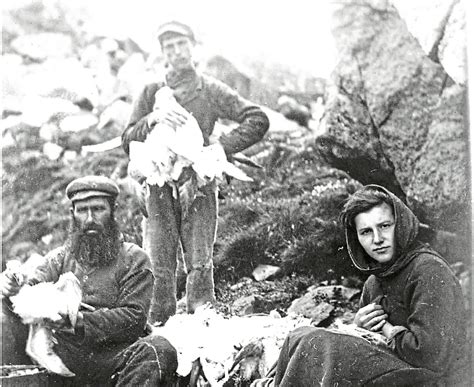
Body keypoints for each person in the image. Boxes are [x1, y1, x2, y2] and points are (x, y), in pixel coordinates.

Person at [122, 21, 270, 323]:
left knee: (199, 258)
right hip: (158, 182)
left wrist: (220, 149)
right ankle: (158, 328)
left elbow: (257, 119)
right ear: (162, 52)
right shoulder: (151, 91)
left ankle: (203, 326)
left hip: (199, 180)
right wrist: (153, 118)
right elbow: (127, 139)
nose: (177, 52)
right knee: (158, 260)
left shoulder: (209, 88)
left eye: (181, 44)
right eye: (169, 47)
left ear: (193, 46)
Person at [252, 184, 469, 386]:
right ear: (356, 237)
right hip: (396, 368)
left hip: (433, 379)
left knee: (319, 344)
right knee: (298, 337)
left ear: (401, 224)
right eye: (366, 232)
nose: (377, 239)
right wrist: (359, 328)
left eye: (385, 226)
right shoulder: (374, 282)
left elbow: (431, 357)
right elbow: (371, 342)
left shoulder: (428, 270)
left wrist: (385, 329)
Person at [0, 175, 178, 386]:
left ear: (113, 211)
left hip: (113, 359)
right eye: (82, 211)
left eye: (98, 209)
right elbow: (29, 291)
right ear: (72, 214)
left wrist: (77, 320)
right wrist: (12, 288)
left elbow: (134, 318)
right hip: (65, 359)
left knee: (158, 349)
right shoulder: (58, 258)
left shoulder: (134, 259)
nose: (90, 218)